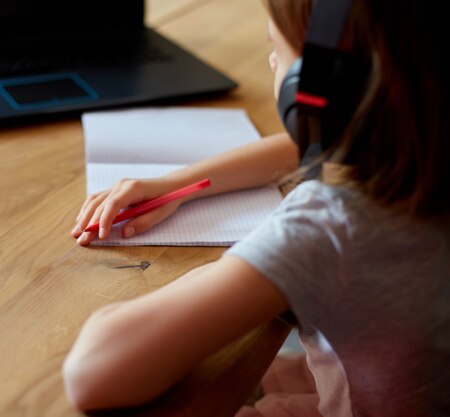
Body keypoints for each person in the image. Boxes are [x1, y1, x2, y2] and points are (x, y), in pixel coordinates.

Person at [63, 0, 450, 415]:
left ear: (319, 93)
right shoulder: (425, 144)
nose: (270, 60)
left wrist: (240, 267)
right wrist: (178, 185)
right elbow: (298, 146)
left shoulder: (331, 228)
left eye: (278, 52)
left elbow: (92, 372)